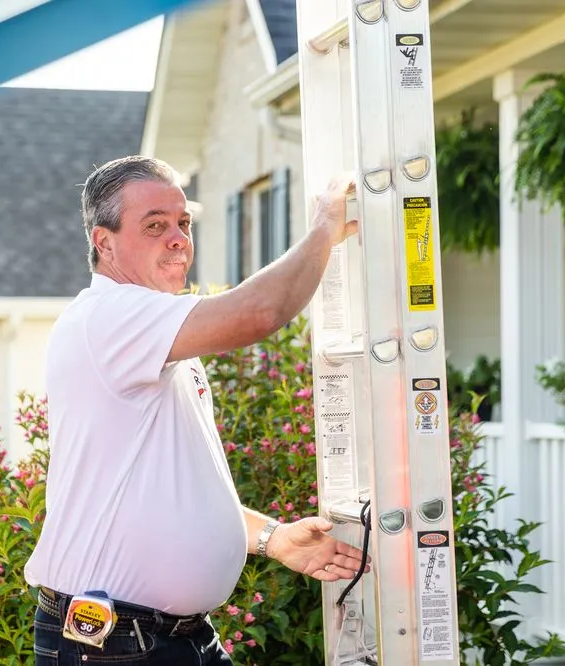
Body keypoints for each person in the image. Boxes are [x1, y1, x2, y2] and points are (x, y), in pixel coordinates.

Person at [25, 155, 367, 665]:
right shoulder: (109, 316)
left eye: (183, 223)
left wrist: (273, 539)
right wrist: (324, 225)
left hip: (170, 640)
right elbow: (260, 312)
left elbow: (170, 492)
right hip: (115, 644)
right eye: (155, 226)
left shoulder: (155, 337)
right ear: (104, 242)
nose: (179, 238)